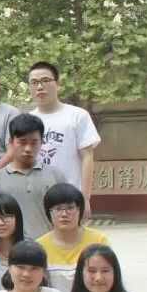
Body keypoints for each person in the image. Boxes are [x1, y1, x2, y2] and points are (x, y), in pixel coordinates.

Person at [28, 61, 101, 203]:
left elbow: (87, 157)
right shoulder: (27, 119)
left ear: (58, 84)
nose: (40, 87)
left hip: (70, 196)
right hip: (36, 197)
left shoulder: (77, 115)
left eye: (45, 80)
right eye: (34, 82)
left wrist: (85, 198)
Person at [0, 113, 65, 240]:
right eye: (22, 142)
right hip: (12, 248)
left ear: (42, 142)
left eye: (34, 142)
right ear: (11, 142)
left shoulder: (55, 175)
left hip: (49, 246)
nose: (28, 148)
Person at [37, 183, 109, 292]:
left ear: (80, 210)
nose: (64, 214)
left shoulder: (98, 241)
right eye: (58, 209)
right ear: (49, 213)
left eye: (70, 208)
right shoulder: (39, 247)